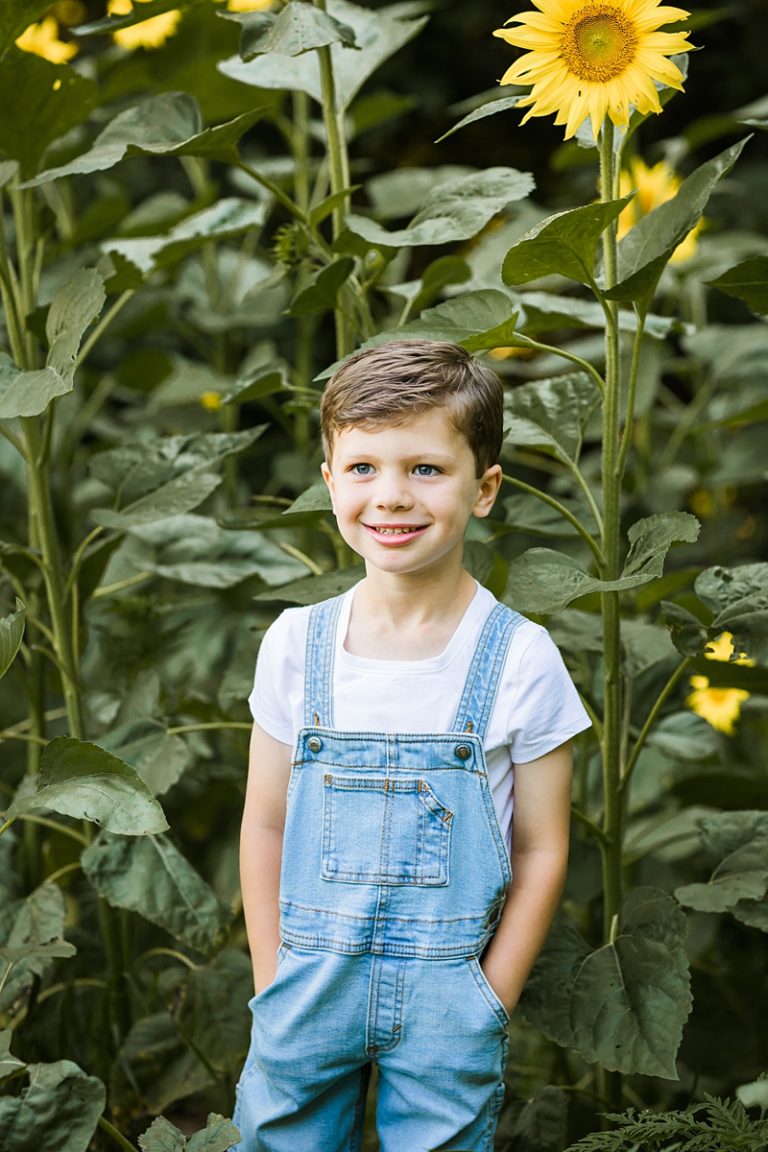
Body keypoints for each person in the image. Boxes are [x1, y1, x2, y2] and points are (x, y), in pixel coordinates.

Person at [234, 339, 590, 1152]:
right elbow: (263, 825)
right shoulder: (296, 646)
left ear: (485, 488)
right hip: (305, 987)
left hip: (449, 1003)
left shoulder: (518, 658)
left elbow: (541, 849)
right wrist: (271, 978)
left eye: (425, 469)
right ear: (329, 482)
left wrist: (489, 997)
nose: (391, 496)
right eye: (363, 468)